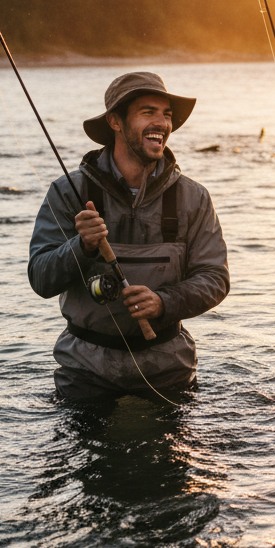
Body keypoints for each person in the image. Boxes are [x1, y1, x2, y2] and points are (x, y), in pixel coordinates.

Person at [28, 72, 230, 401]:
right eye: (148, 112)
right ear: (115, 122)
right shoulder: (67, 192)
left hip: (168, 368)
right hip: (85, 370)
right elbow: (40, 278)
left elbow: (215, 278)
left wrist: (164, 302)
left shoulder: (194, 197)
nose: (162, 123)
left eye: (166, 115)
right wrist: (82, 246)